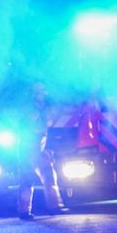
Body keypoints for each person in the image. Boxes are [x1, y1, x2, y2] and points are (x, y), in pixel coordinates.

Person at [18, 84, 68, 220]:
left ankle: (54, 207)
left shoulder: (41, 108)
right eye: (41, 93)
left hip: (38, 148)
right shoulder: (29, 108)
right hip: (28, 149)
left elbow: (49, 122)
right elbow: (31, 123)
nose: (43, 95)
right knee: (28, 180)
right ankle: (25, 211)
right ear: (35, 94)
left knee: (48, 177)